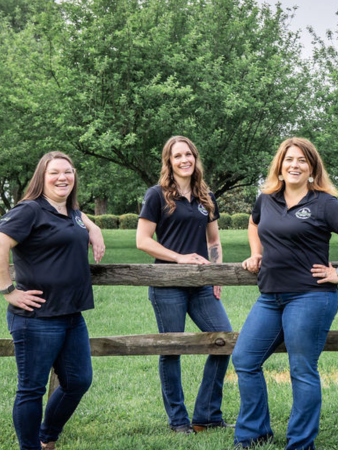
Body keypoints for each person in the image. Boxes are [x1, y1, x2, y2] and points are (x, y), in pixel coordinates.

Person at [233, 137, 338, 450]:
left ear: (311, 168)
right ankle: (254, 433)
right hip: (270, 296)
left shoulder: (324, 203)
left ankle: (300, 442)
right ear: (280, 166)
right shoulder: (266, 198)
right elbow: (254, 225)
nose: (294, 165)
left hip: (310, 296)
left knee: (301, 368)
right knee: (244, 359)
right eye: (289, 160)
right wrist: (256, 253)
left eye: (302, 161)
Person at [0, 151, 105, 450]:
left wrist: (93, 227)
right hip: (36, 317)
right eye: (54, 172)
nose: (62, 177)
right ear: (42, 176)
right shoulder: (29, 210)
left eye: (68, 172)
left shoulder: (72, 212)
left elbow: (77, 215)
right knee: (32, 389)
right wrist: (8, 291)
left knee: (78, 381)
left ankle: (47, 437)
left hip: (71, 315)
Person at [135, 136, 233, 433]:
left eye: (188, 154)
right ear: (169, 162)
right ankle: (178, 420)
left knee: (224, 341)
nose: (184, 160)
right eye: (177, 156)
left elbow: (213, 241)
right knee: (172, 349)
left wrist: (216, 274)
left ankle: (206, 415)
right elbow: (142, 241)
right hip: (167, 285)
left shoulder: (206, 196)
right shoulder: (157, 195)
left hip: (202, 285)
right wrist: (179, 259)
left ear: (195, 158)